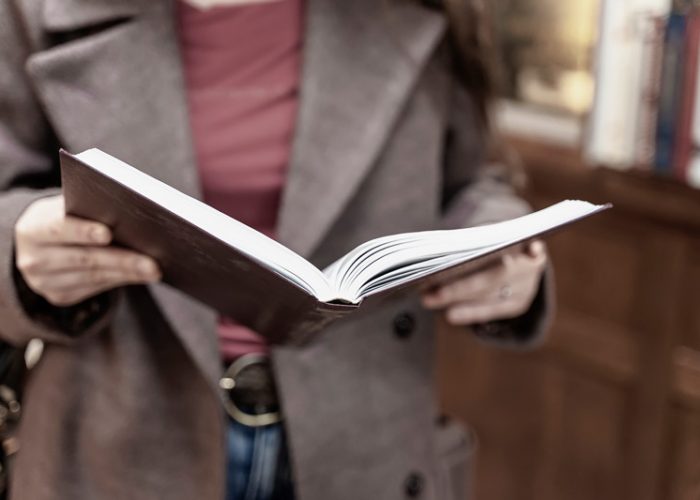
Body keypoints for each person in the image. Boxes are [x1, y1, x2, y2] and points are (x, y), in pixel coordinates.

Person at [0, 0, 550, 499]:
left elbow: (475, 180)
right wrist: (23, 245)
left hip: (365, 435)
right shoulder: (32, 11)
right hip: (118, 433)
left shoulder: (415, 8)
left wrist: (504, 250)